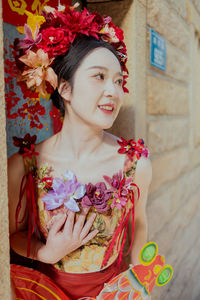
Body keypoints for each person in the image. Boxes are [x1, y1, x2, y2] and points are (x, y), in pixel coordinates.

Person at [8, 3, 152, 299]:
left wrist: (140, 283)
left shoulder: (134, 164)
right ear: (65, 88)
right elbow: (11, 236)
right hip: (44, 291)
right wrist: (46, 253)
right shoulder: (25, 166)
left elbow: (138, 225)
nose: (113, 91)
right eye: (99, 76)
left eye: (118, 80)